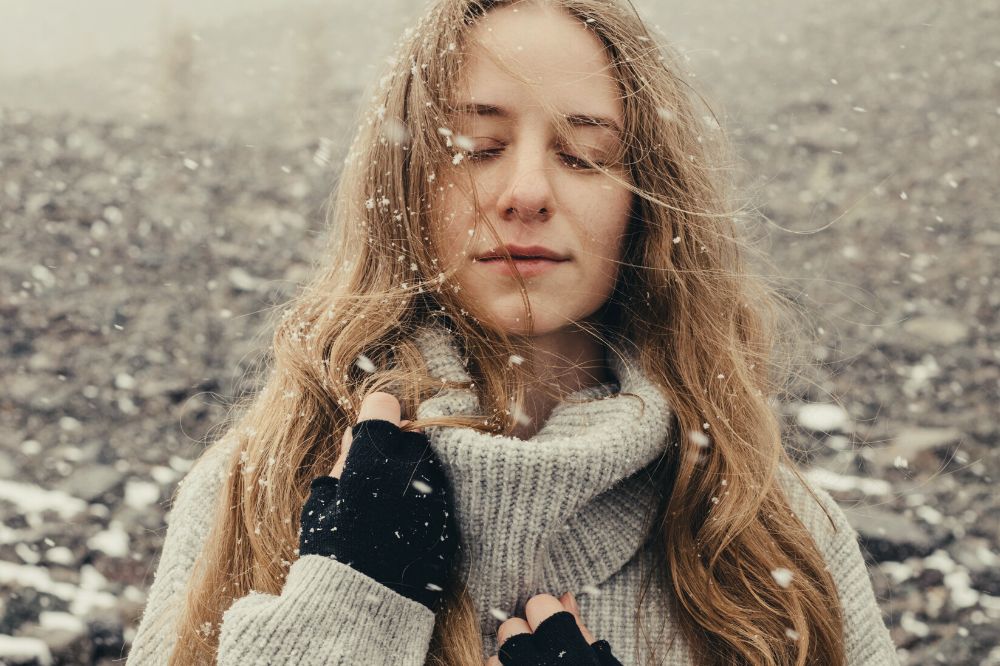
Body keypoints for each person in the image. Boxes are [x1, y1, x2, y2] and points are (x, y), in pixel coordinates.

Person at [126, 0, 901, 664]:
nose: (526, 191)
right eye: (476, 147)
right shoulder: (254, 490)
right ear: (403, 187)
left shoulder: (769, 533)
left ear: (646, 205)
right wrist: (343, 619)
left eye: (584, 155)